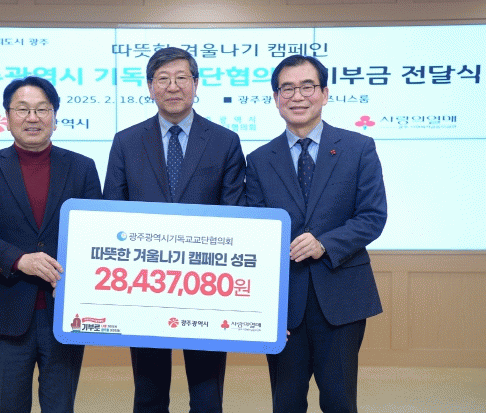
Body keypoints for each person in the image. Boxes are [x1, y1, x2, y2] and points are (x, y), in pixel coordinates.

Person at [103, 47, 246, 413]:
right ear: (150, 87)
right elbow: (111, 214)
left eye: (182, 78)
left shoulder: (225, 141)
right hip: (144, 285)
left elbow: (236, 216)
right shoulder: (126, 141)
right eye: (163, 79)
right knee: (148, 394)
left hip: (206, 287)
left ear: (196, 84)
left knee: (207, 395)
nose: (173, 86)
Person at [245, 55, 387, 413]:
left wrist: (325, 243)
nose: (297, 96)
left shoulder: (358, 148)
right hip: (285, 305)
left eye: (307, 87)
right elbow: (255, 233)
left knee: (339, 401)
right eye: (287, 88)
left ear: (324, 93)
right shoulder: (259, 160)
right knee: (286, 402)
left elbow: (372, 216)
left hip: (341, 298)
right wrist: (265, 307)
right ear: (276, 98)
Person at [0, 76, 102, 413]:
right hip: (5, 310)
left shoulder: (82, 167)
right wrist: (19, 260)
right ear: (7, 117)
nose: (33, 118)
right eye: (22, 109)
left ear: (55, 116)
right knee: (9, 406)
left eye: (42, 109)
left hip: (63, 310)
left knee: (60, 406)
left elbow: (96, 233)